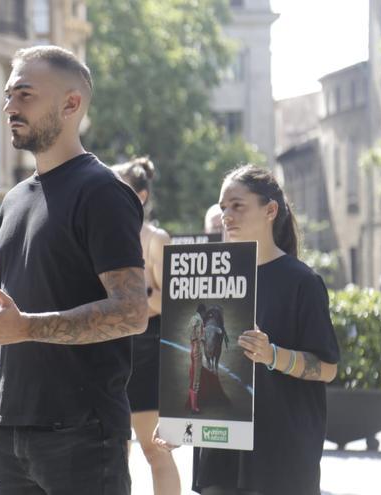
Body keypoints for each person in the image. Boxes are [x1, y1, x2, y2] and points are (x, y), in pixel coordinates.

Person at [0, 45, 148, 494]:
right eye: (7, 96)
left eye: (24, 94)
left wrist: (25, 328)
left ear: (70, 104)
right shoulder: (15, 199)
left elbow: (131, 311)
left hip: (82, 432)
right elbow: (9, 312)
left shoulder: (103, 192)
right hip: (9, 429)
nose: (8, 107)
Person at [155, 165, 340, 495]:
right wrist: (178, 419)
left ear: (270, 210)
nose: (227, 215)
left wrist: (272, 355)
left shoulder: (303, 282)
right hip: (220, 456)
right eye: (223, 207)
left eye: (237, 205)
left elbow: (327, 368)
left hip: (280, 459)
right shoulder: (209, 277)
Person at [111, 157, 180, 495]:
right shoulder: (103, 234)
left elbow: (172, 302)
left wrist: (135, 297)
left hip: (148, 349)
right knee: (113, 452)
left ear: (138, 196)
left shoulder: (156, 239)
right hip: (110, 346)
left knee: (154, 447)